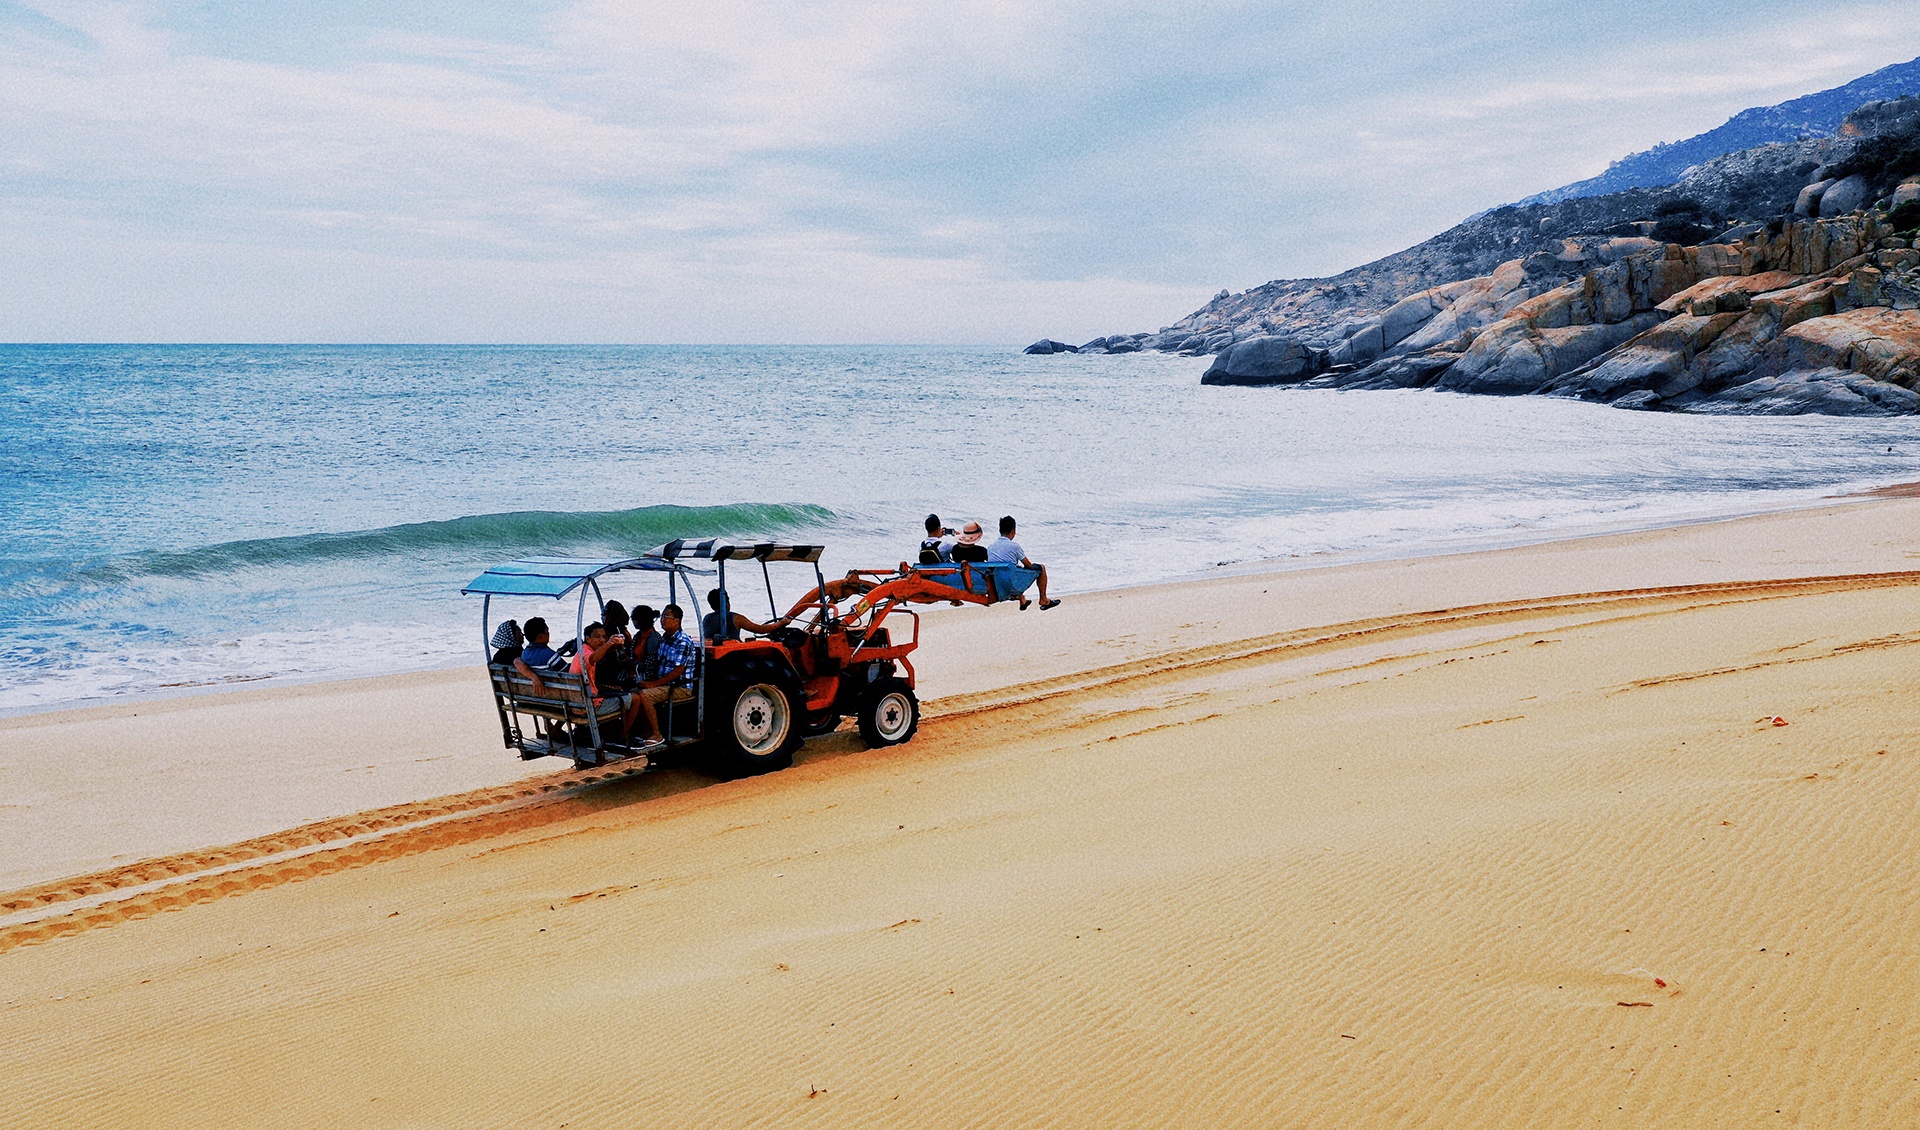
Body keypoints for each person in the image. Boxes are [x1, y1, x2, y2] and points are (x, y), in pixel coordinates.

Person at [569, 621, 644, 743]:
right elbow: (593, 659)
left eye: (604, 637)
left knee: (616, 692)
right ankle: (622, 736)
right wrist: (609, 644)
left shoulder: (581, 650)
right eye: (597, 637)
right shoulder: (587, 653)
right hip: (589, 707)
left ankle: (611, 733)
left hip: (578, 705)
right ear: (588, 638)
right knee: (635, 698)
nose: (601, 640)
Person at [637, 603, 698, 744]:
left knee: (645, 696)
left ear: (677, 621)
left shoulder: (682, 641)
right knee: (635, 693)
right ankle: (645, 731)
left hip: (680, 687)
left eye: (666, 617)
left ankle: (657, 734)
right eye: (662, 617)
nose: (662, 620)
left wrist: (653, 684)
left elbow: (677, 671)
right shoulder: (665, 638)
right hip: (664, 684)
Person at [988, 515, 1060, 610]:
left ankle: (1022, 600)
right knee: (1040, 568)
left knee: (1013, 569)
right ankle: (1043, 599)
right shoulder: (1014, 546)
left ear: (1000, 531)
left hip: (998, 584)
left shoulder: (990, 547)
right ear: (1013, 532)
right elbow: (1028, 565)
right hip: (1013, 584)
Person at [703, 588, 787, 644]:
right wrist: (782, 623)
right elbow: (761, 629)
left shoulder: (706, 618)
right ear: (727, 603)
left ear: (711, 605)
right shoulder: (736, 618)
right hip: (733, 652)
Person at [598, 600, 636, 692]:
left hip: (616, 674)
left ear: (612, 615)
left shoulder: (620, 634)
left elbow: (619, 658)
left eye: (604, 613)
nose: (602, 616)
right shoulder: (608, 630)